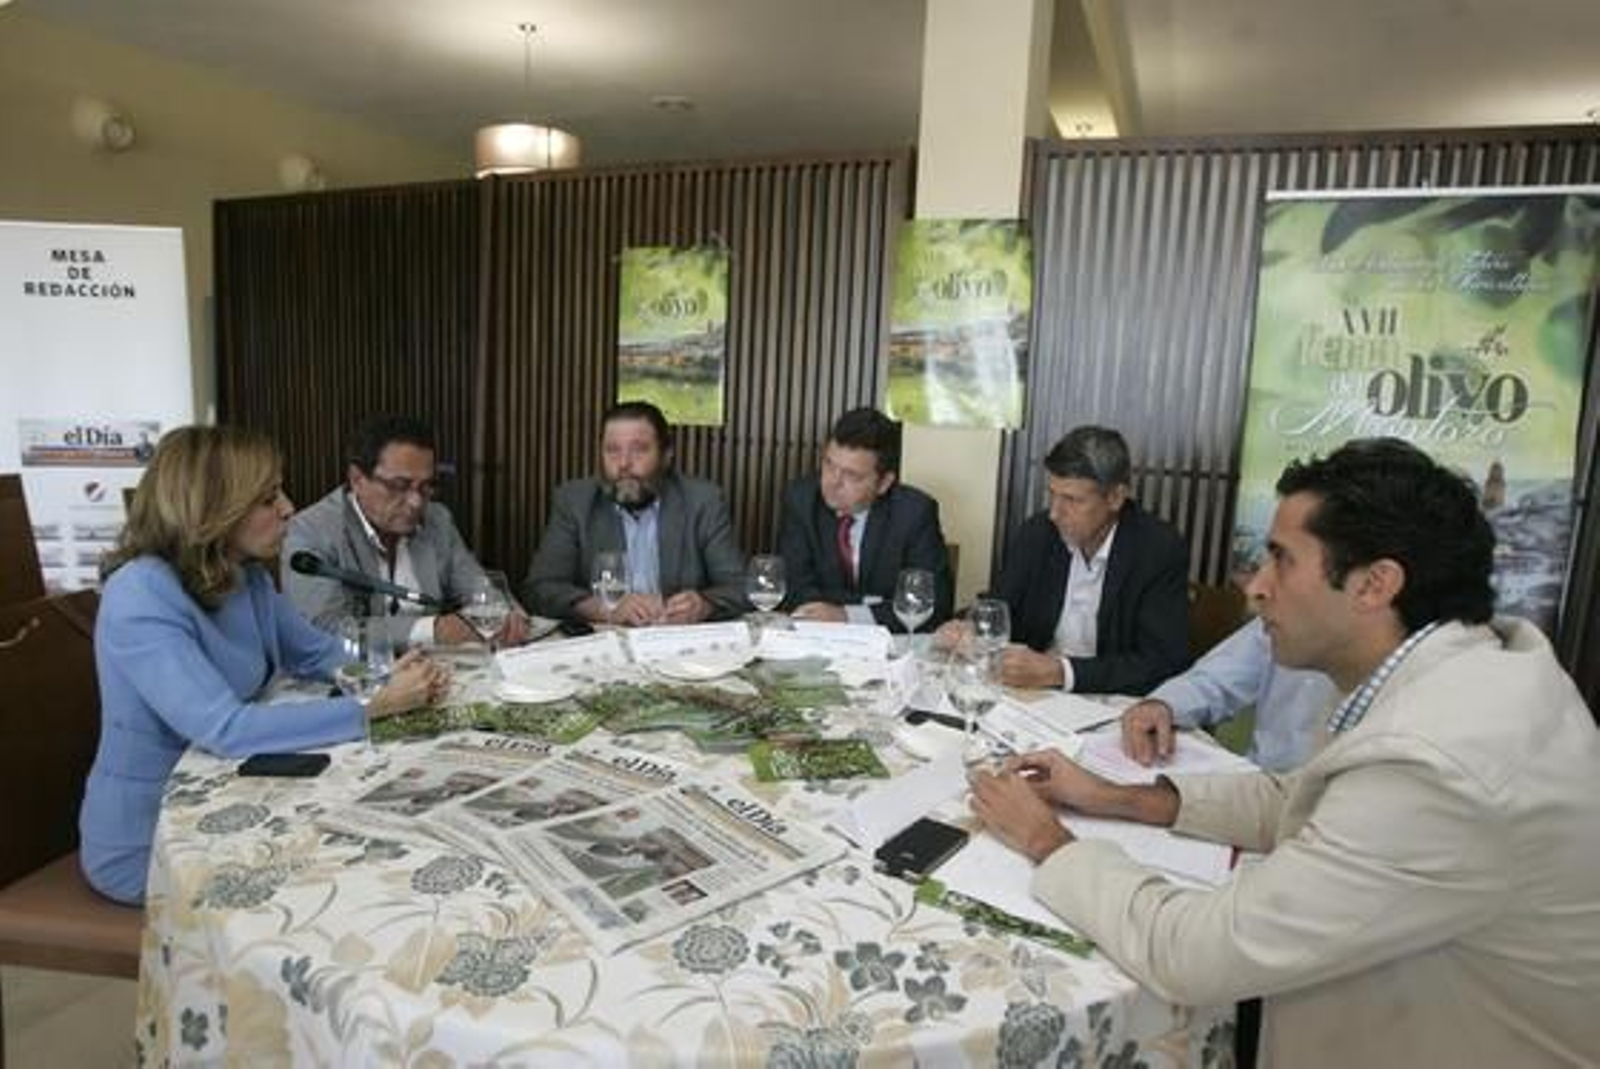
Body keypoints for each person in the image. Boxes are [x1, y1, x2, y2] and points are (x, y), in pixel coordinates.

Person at [969, 438, 1600, 1068]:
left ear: (1375, 584)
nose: (1255, 587)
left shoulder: (1440, 762)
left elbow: (1194, 954)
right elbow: (1303, 798)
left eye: (1281, 560)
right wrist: (1113, 796)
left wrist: (1048, 841)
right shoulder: (1453, 672)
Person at [80, 426, 449, 905]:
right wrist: (373, 707)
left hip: (235, 799)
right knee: (343, 889)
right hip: (152, 841)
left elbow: (317, 652)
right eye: (268, 498)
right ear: (212, 507)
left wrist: (393, 671)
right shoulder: (140, 593)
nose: (289, 508)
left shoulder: (242, 573)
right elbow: (227, 729)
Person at [940, 425, 1187, 694]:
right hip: (1033, 698)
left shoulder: (1156, 549)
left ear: (1115, 497)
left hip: (1110, 701)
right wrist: (969, 628)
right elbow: (1002, 608)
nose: (1055, 513)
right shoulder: (1039, 533)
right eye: (1052, 495)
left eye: (1071, 499)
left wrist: (1061, 671)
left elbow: (1161, 662)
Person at [284, 414, 528, 649]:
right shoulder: (309, 531)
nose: (416, 502)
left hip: (435, 673)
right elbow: (326, 629)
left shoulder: (437, 519)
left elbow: (477, 587)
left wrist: (505, 613)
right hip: (353, 679)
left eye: (426, 486)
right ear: (357, 479)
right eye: (399, 486)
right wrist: (432, 631)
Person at [524, 400, 746, 625]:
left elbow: (739, 587)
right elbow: (540, 588)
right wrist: (602, 609)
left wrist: (704, 605)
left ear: (666, 455)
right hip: (605, 643)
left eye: (639, 450)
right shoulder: (575, 501)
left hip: (676, 642)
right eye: (612, 450)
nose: (623, 463)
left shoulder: (702, 501)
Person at [778, 407, 953, 630]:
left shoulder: (914, 513)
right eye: (829, 465)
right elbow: (794, 589)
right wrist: (873, 604)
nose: (833, 482)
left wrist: (846, 615)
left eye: (852, 475)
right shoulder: (801, 499)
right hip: (817, 640)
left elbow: (933, 605)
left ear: (884, 483)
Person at [1120, 615, 1340, 772]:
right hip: (1258, 786)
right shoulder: (1283, 617)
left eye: (1285, 562)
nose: (1256, 587)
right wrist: (1162, 705)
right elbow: (1214, 680)